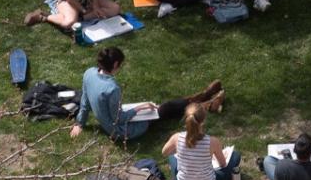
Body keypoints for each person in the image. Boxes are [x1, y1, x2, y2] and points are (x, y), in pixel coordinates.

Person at [69, 47, 225, 141]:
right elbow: (119, 119)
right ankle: (206, 103)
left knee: (166, 109)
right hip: (122, 131)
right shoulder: (112, 88)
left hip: (110, 123)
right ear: (115, 64)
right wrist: (140, 108)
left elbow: (85, 101)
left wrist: (80, 123)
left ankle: (205, 97)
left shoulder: (89, 73)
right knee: (164, 110)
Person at [161, 103, 242, 180]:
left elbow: (164, 152)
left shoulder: (176, 138)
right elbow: (223, 164)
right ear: (203, 121)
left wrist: (181, 151)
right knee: (235, 155)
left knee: (172, 156)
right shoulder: (212, 142)